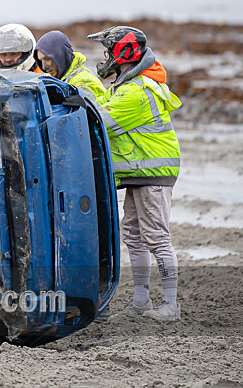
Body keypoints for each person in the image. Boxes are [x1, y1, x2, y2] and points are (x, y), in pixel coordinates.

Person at [89, 26, 182, 322]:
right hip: (140, 174)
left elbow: (102, 122)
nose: (105, 58)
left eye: (108, 52)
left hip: (154, 174)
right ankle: (141, 299)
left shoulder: (137, 92)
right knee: (132, 234)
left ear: (122, 54)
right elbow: (101, 106)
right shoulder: (125, 86)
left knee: (156, 236)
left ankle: (170, 304)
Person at [34, 30, 105, 99]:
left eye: (47, 58)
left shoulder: (86, 81)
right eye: (41, 60)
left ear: (61, 55)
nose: (44, 66)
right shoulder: (46, 79)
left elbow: (91, 109)